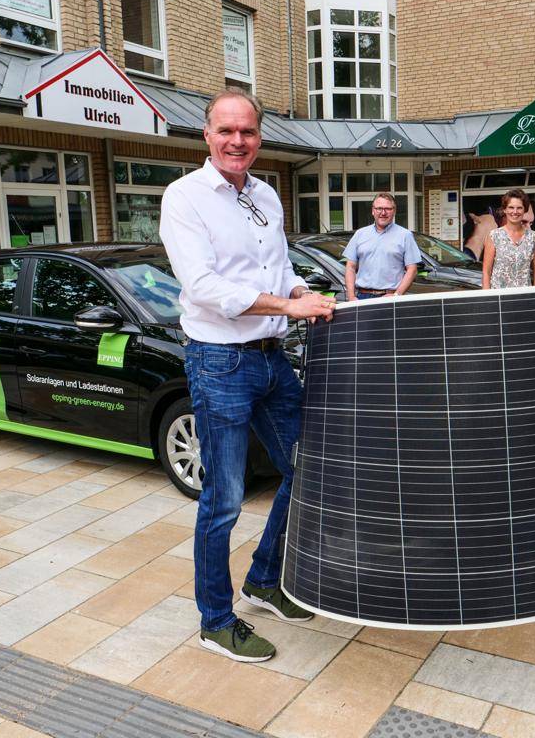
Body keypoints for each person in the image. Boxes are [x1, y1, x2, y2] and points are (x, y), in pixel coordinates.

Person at [159, 87, 335, 663]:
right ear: (207, 135)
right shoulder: (185, 197)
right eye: (227, 130)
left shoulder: (265, 194)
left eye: (248, 132)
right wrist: (288, 307)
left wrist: (303, 292)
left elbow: (275, 269)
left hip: (270, 358)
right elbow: (204, 287)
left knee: (308, 469)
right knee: (225, 501)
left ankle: (264, 579)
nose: (238, 141)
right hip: (219, 361)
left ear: (259, 137)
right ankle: (215, 620)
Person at [343, 193, 423, 300]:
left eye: (388, 209)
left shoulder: (405, 235)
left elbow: (412, 270)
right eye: (379, 208)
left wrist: (397, 295)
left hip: (390, 298)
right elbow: (350, 267)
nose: (383, 213)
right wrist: (351, 296)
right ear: (373, 211)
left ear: (394, 211)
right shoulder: (360, 234)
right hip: (362, 297)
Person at [481, 189, 535, 288]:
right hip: (499, 295)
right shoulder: (494, 236)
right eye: (511, 207)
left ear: (524, 210)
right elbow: (486, 272)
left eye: (519, 208)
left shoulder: (533, 237)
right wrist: (488, 296)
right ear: (504, 210)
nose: (515, 211)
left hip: (525, 294)